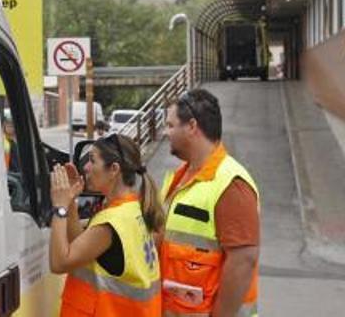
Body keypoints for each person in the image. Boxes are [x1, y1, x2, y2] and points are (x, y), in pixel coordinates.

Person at [160, 89, 260, 317]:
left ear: (192, 126)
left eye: (170, 125)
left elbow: (243, 260)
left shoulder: (231, 183)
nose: (166, 132)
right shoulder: (178, 177)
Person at [49, 134, 164, 316]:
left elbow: (59, 263)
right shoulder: (132, 209)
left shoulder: (111, 223)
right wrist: (70, 202)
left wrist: (60, 207)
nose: (85, 167)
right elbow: (83, 249)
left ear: (114, 169)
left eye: (92, 161)